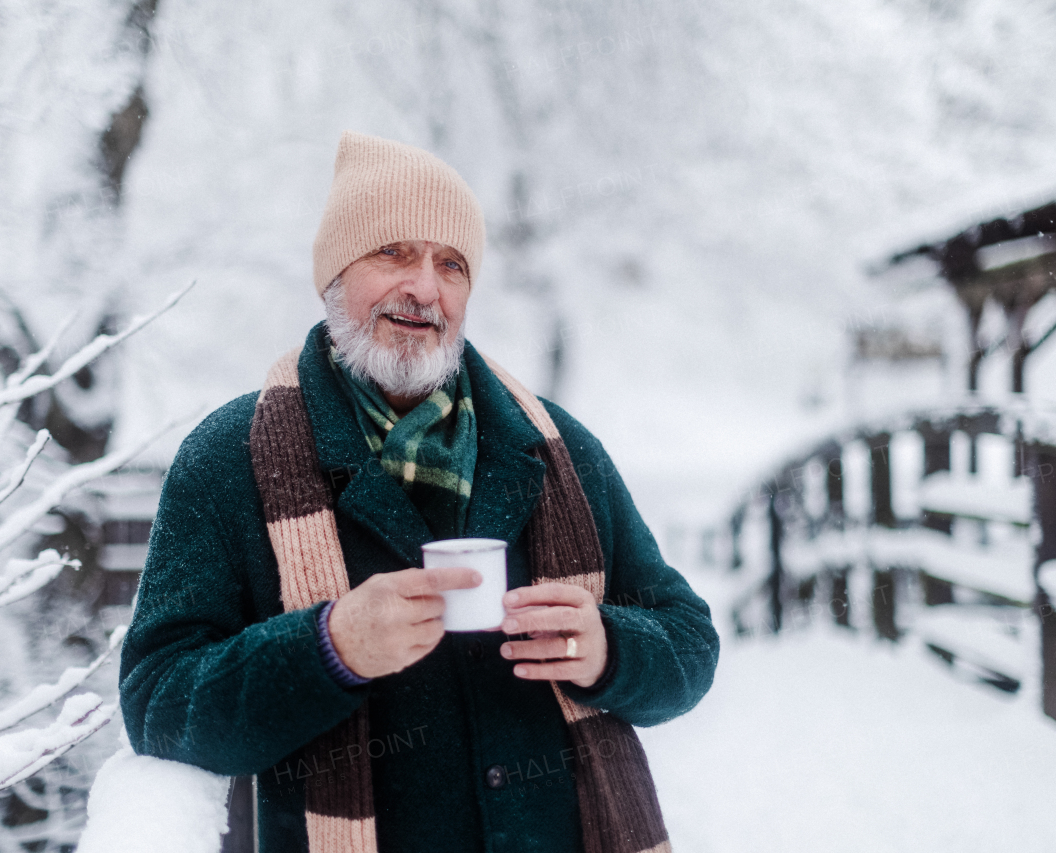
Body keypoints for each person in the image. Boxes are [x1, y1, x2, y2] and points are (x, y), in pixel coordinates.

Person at [119, 130, 719, 853]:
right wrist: (325, 647)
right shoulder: (229, 458)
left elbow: (690, 640)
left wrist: (609, 646)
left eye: (452, 264)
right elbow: (157, 697)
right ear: (335, 275)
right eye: (393, 252)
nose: (425, 288)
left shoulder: (557, 449)